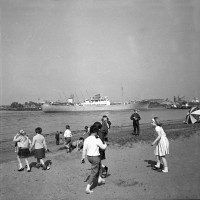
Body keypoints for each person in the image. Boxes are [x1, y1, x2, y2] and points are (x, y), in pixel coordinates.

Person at [81, 125, 107, 194]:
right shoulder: (97, 139)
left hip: (89, 157)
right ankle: (88, 188)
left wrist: (83, 158)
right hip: (95, 157)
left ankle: (100, 178)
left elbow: (84, 149)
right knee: (93, 173)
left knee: (99, 165)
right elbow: (103, 147)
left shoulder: (87, 139)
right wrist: (105, 144)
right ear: (96, 132)